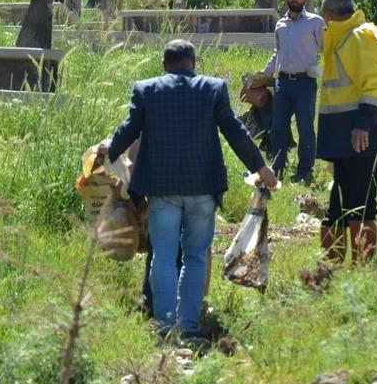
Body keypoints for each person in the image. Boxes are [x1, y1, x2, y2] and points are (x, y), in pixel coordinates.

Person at [101, 39, 277, 338]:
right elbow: (235, 131)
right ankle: (191, 325)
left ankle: (165, 325)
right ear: (194, 63)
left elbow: (128, 130)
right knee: (195, 255)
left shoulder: (146, 89)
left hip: (161, 189)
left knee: (164, 255)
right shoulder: (214, 88)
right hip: (201, 189)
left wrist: (107, 155)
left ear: (164, 64)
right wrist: (261, 167)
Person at [316, 0, 377, 263]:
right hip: (346, 138)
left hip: (361, 138)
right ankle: (331, 271)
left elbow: (376, 87)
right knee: (338, 208)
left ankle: (361, 271)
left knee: (361, 207)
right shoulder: (345, 38)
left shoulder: (359, 37)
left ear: (329, 15)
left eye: (324, 18)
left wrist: (363, 125)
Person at [262, 0, 325, 185]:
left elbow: (327, 48)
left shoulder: (315, 22)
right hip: (282, 83)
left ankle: (304, 171)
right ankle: (278, 167)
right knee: (278, 126)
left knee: (305, 126)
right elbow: (277, 53)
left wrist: (327, 71)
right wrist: (262, 75)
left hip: (305, 82)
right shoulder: (280, 24)